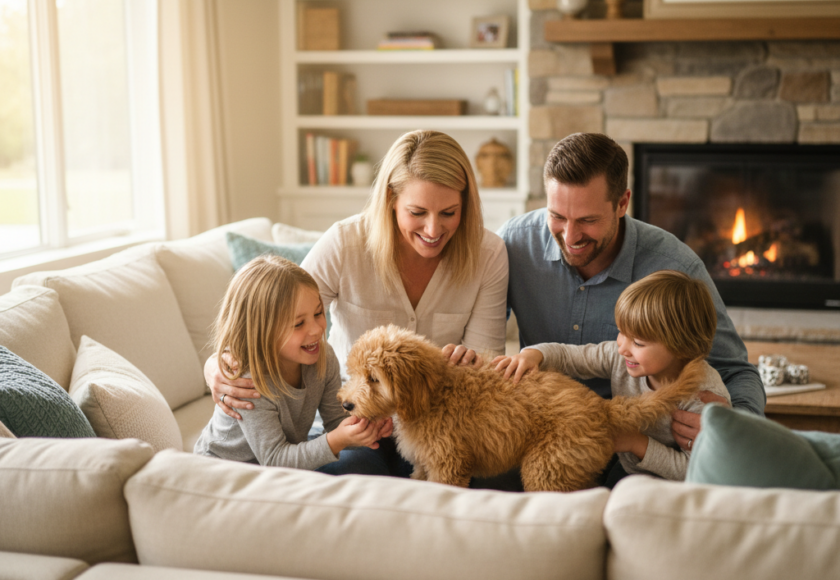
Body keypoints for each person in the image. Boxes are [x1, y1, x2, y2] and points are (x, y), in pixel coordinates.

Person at [205, 130, 511, 483]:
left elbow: (484, 363)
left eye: (449, 213)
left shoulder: (488, 255)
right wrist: (216, 365)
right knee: (354, 473)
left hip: (443, 424)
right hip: (357, 425)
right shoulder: (345, 244)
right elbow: (279, 316)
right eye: (417, 212)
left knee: (500, 477)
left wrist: (470, 365)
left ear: (465, 205)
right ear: (391, 199)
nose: (433, 228)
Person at [497, 132, 765, 482]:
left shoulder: (675, 267)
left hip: (635, 445)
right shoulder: (513, 244)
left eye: (588, 220)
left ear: (622, 203)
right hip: (541, 426)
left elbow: (736, 371)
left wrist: (735, 429)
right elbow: (479, 340)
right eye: (558, 216)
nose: (571, 236)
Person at [493, 270, 731, 483]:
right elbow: (568, 356)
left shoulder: (703, 396)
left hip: (673, 485)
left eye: (638, 342)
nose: (622, 348)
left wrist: (635, 442)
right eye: (621, 333)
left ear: (683, 348)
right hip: (625, 467)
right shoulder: (621, 358)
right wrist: (534, 354)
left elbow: (696, 471)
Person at [194, 255, 392, 475]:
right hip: (223, 471)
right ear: (263, 334)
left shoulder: (322, 356)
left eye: (318, 313)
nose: (317, 329)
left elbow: (336, 421)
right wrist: (336, 441)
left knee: (367, 461)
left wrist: (366, 429)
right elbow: (274, 458)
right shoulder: (248, 380)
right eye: (299, 324)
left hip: (280, 468)